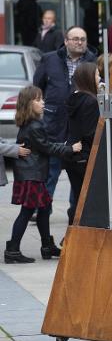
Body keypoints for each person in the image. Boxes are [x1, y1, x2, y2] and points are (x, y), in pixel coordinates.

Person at [5, 86, 81, 264]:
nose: (43, 102)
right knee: (27, 211)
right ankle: (12, 249)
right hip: (32, 175)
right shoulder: (35, 126)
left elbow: (44, 144)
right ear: (29, 104)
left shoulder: (30, 124)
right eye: (38, 100)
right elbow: (47, 147)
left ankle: (47, 246)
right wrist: (71, 148)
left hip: (32, 174)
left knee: (45, 209)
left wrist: (62, 145)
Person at [33, 26, 97, 206]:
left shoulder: (92, 61)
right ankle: (43, 209)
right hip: (53, 125)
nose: (79, 42)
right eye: (75, 38)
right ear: (66, 41)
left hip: (80, 128)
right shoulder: (50, 59)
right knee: (51, 171)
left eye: (83, 39)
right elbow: (38, 87)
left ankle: (75, 211)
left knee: (78, 173)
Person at [64, 62, 100, 226]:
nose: (99, 78)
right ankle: (74, 236)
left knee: (78, 197)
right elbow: (90, 133)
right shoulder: (90, 101)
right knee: (85, 201)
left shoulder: (74, 98)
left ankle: (71, 236)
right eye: (97, 75)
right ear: (88, 78)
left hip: (73, 156)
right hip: (85, 156)